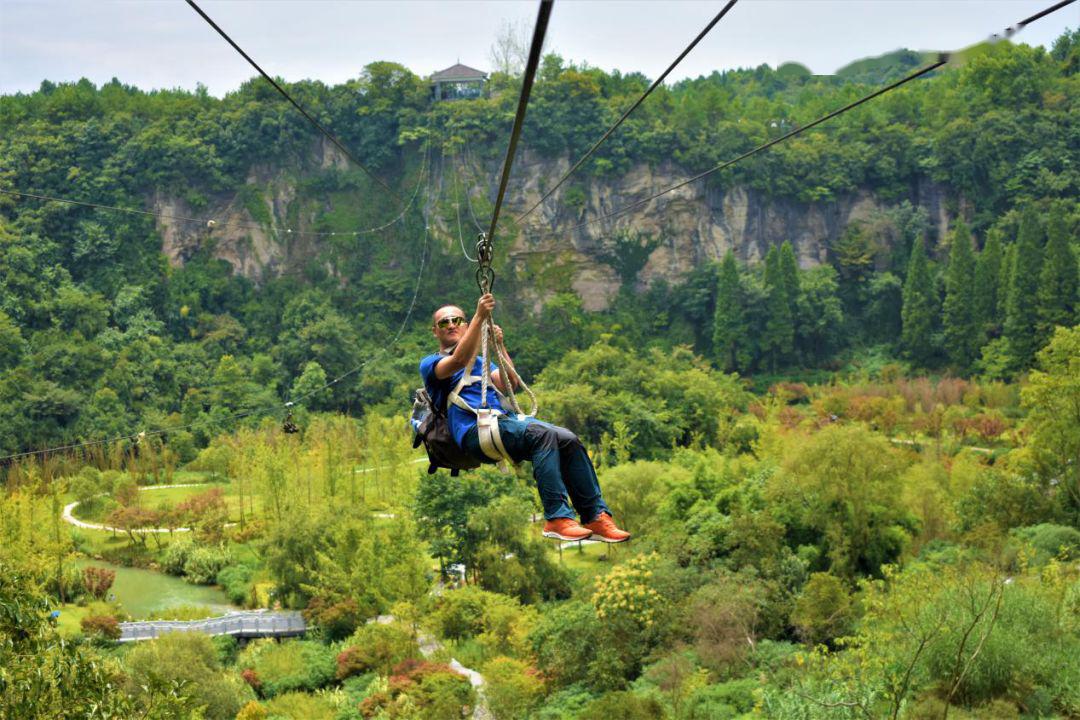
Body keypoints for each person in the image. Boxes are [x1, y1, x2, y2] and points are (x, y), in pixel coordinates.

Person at [419, 293, 630, 543]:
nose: (451, 325)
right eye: (444, 323)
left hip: (501, 423)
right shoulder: (432, 364)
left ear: (465, 325)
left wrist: (500, 346)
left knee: (568, 440)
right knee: (542, 435)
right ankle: (557, 518)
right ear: (436, 331)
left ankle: (595, 515)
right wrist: (479, 316)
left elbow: (510, 385)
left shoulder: (480, 362)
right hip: (475, 431)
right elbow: (459, 360)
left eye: (457, 320)